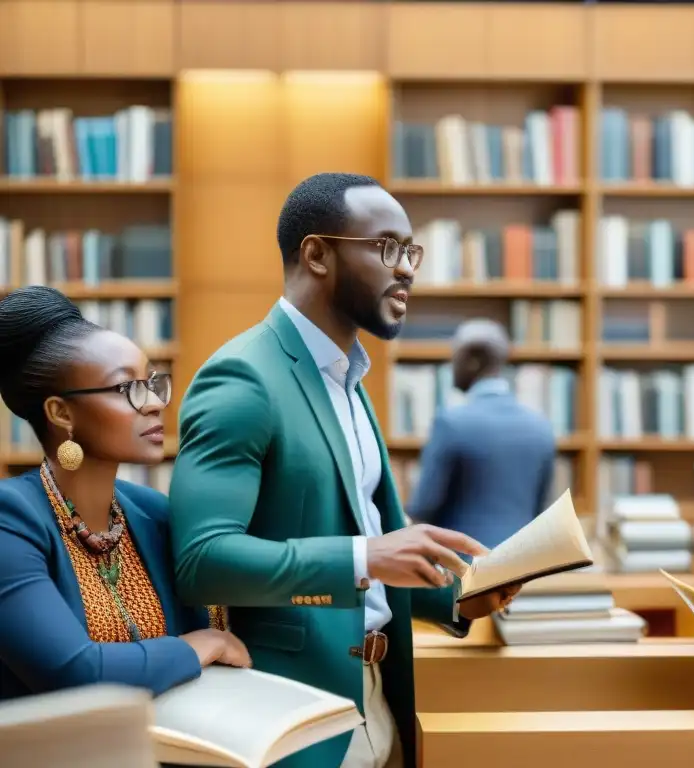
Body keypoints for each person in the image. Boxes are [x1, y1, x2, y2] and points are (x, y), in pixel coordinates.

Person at [168, 173, 519, 768]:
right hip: (298, 716)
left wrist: (458, 599)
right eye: (387, 247)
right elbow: (202, 562)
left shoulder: (349, 383)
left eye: (411, 252)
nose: (406, 269)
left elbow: (370, 568)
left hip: (381, 699)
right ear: (317, 254)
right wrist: (367, 555)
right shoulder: (243, 377)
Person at [0, 286, 251, 702]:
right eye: (127, 389)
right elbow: (75, 672)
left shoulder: (155, 514)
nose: (153, 403)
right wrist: (203, 645)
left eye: (152, 383)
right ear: (61, 413)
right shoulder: (11, 521)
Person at [406, 318, 557, 549]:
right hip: (524, 568)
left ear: (472, 361)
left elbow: (424, 507)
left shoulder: (451, 423)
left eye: (454, 358)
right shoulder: (541, 427)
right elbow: (540, 510)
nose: (451, 367)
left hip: (464, 569)